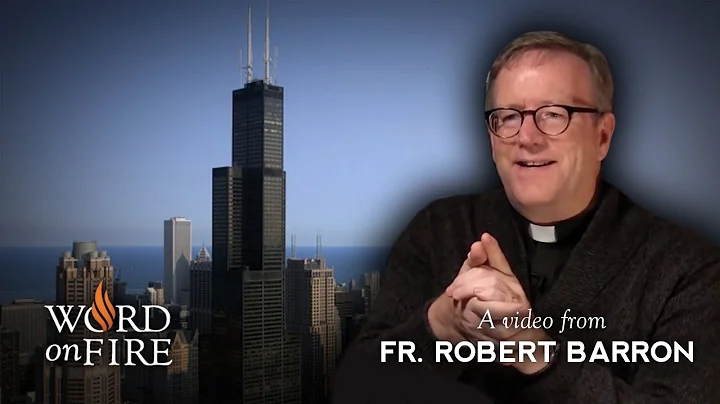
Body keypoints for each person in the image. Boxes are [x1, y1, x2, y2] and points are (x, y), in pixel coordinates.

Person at [332, 31, 720, 404]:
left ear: (603, 136)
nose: (527, 137)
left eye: (553, 114)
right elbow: (354, 389)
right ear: (491, 135)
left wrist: (536, 355)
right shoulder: (437, 229)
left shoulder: (689, 269)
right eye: (508, 116)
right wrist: (441, 326)